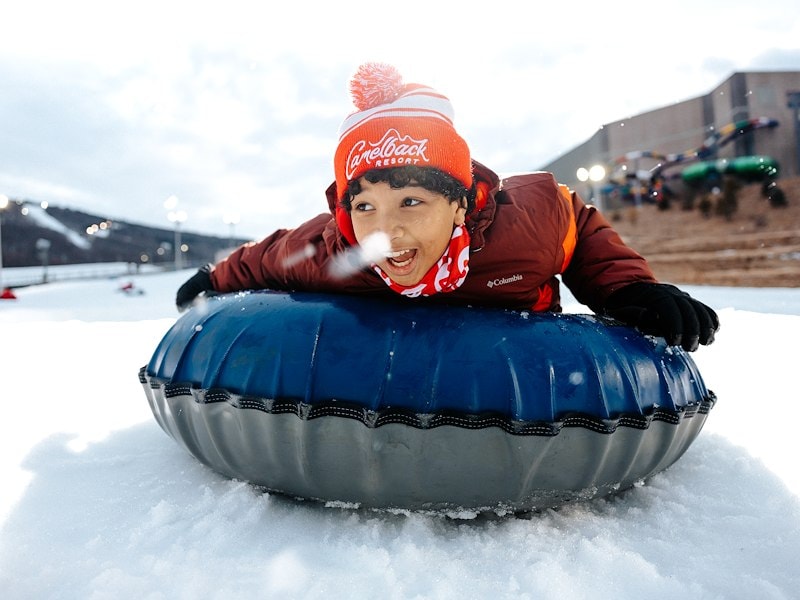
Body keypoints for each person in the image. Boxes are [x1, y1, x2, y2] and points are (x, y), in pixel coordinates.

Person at [177, 62, 718, 352]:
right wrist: (214, 276)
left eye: (411, 201)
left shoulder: (528, 222)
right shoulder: (336, 250)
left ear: (459, 204)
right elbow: (268, 256)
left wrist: (629, 289)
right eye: (364, 206)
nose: (383, 232)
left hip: (519, 353)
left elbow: (577, 227)